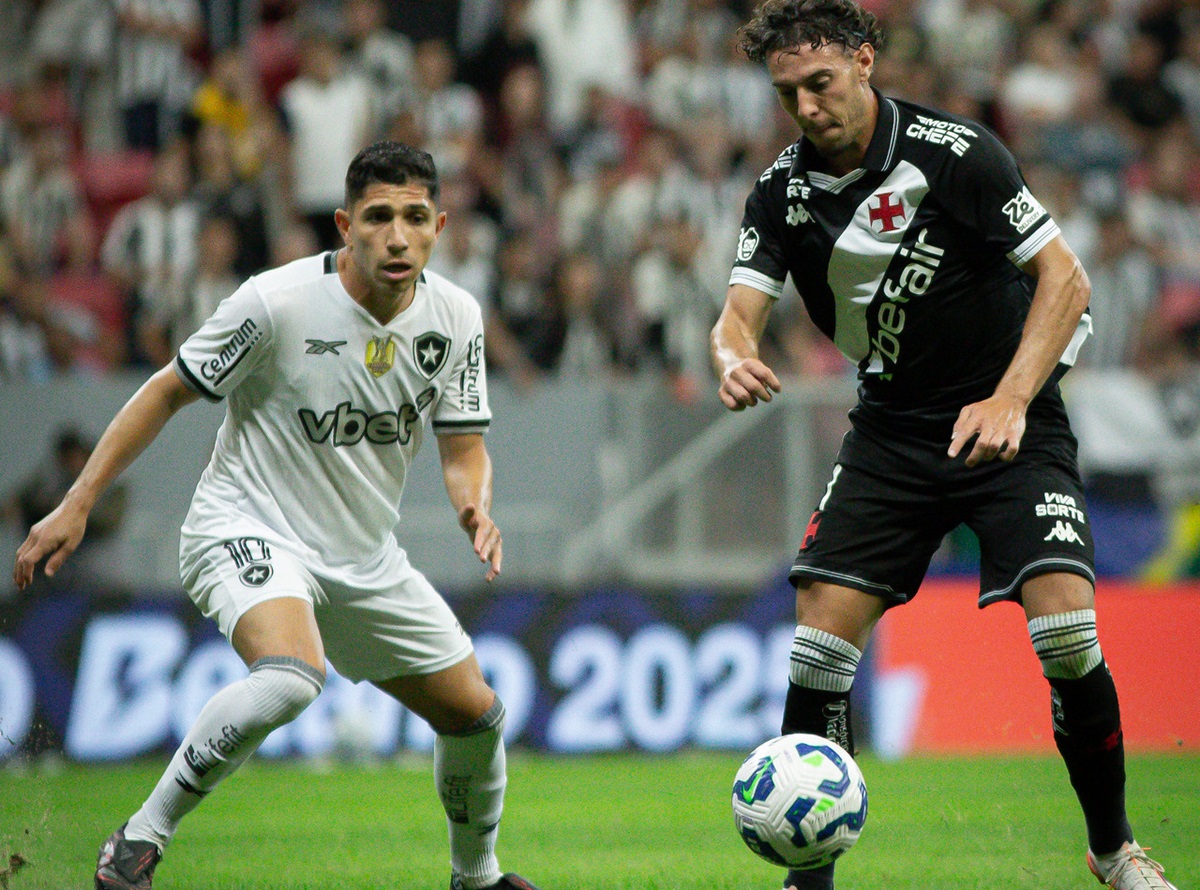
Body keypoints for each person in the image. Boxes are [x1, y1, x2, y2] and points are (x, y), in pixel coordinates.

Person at [709, 3, 1179, 890]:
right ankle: (809, 880)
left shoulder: (955, 152)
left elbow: (1065, 280)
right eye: (787, 93)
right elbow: (737, 317)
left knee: (1068, 633)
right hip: (893, 429)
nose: (806, 107)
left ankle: (1114, 850)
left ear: (864, 60)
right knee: (819, 642)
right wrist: (734, 358)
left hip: (1011, 421)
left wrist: (1011, 397)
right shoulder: (779, 192)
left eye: (820, 83)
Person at [14, 141, 540, 890]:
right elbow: (166, 390)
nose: (398, 237)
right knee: (293, 675)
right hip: (246, 525)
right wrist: (78, 502)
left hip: (362, 556)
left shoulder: (455, 317)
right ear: (345, 226)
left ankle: (476, 878)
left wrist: (472, 505)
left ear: (440, 226)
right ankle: (137, 840)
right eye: (379, 217)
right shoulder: (276, 303)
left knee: (477, 717)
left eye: (415, 218)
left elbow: (464, 448)